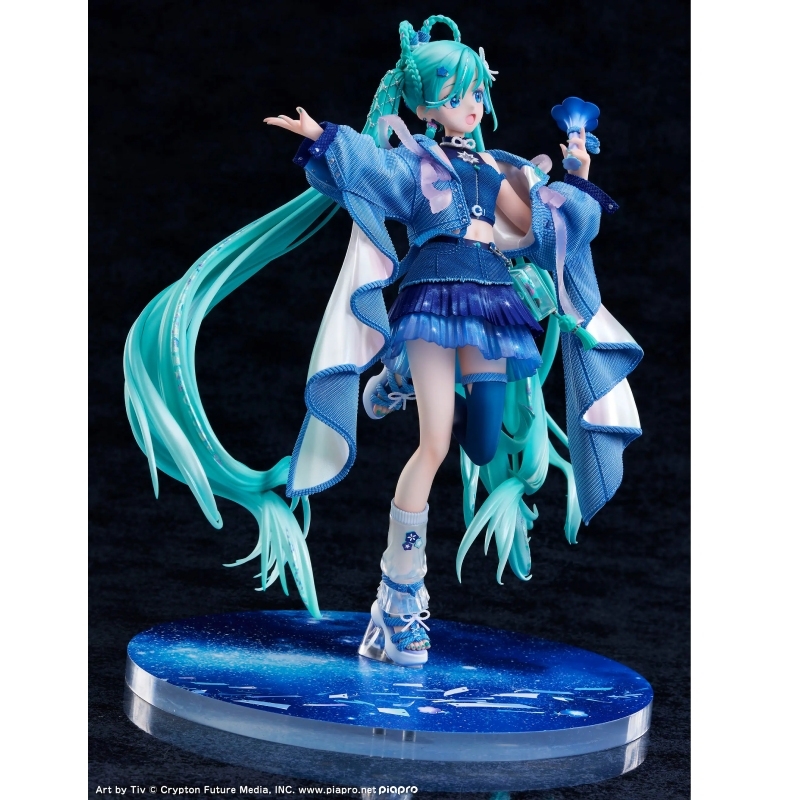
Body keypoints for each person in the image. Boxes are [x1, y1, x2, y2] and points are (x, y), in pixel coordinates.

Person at [124, 15, 642, 667]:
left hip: (492, 302)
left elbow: (548, 224)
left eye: (476, 92)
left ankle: (396, 379)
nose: (470, 105)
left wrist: (577, 175)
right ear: (426, 106)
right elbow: (368, 168)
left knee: (484, 442)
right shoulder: (416, 161)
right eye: (455, 95)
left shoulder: (500, 167)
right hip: (432, 300)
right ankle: (397, 604)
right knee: (434, 445)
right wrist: (323, 138)